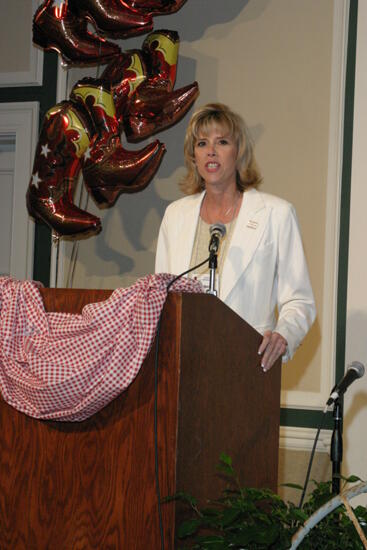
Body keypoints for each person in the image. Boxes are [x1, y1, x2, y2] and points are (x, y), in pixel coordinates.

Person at [155, 103, 316, 370]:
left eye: (222, 142)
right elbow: (159, 294)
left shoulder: (276, 214)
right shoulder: (175, 215)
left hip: (248, 364)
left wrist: (284, 334)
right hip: (184, 365)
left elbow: (299, 300)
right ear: (193, 155)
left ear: (238, 152)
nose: (211, 151)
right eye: (202, 143)